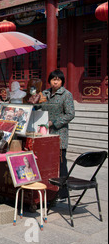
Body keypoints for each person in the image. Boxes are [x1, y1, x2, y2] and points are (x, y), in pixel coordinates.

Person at [42, 69, 75, 201]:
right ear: (49, 80)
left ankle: (63, 192)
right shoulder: (44, 93)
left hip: (59, 133)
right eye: (53, 79)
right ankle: (49, 188)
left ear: (62, 81)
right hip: (44, 133)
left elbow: (70, 114)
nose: (55, 82)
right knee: (47, 161)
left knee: (60, 162)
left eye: (58, 79)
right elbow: (39, 108)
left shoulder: (66, 95)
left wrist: (53, 123)